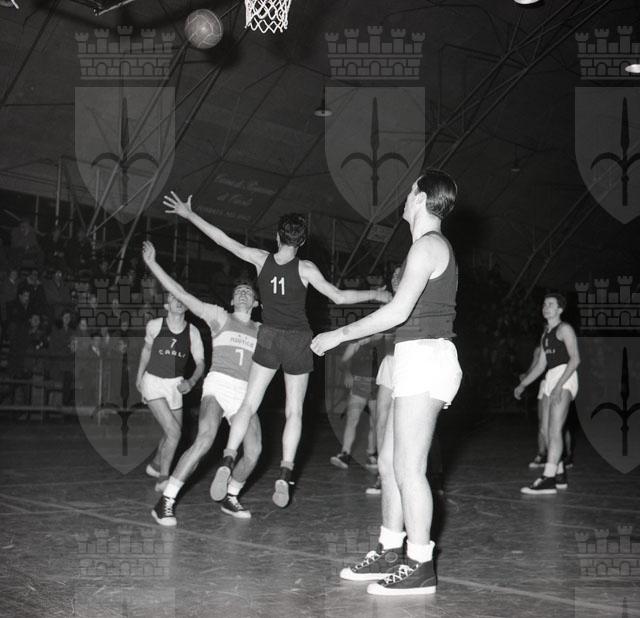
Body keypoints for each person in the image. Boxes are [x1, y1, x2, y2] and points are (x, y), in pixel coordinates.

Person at [163, 191, 391, 508]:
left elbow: (222, 240)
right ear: (302, 242)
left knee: (248, 405)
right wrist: (376, 294)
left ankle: (227, 459)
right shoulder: (306, 268)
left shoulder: (261, 259)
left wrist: (190, 215)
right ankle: (285, 473)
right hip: (298, 340)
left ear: (277, 236)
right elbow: (338, 297)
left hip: (269, 336)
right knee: (294, 411)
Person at [311, 170, 462, 596]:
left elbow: (397, 312)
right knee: (392, 462)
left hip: (427, 357)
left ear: (423, 198)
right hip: (412, 357)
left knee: (409, 468)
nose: (406, 195)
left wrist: (339, 334)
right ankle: (391, 550)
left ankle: (420, 563)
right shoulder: (423, 246)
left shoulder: (428, 246)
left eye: (412, 189)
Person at [141, 241, 261, 526]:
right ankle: (165, 501)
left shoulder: (262, 330)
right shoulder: (220, 316)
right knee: (205, 440)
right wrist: (153, 264)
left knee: (254, 452)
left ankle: (231, 496)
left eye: (248, 292)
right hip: (218, 386)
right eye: (238, 291)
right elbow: (182, 294)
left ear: (256, 304)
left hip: (245, 395)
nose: (242, 293)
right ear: (231, 300)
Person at [135, 283, 205, 489]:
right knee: (174, 433)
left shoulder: (193, 332)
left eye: (182, 298)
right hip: (153, 382)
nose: (179, 301)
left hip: (175, 385)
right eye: (174, 297)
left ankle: (156, 465)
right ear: (167, 304)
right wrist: (139, 377)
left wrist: (191, 381)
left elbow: (201, 363)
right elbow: (146, 351)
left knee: (170, 433)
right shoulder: (155, 325)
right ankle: (163, 478)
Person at [514, 293, 580, 494]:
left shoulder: (564, 329)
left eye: (551, 304)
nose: (546, 307)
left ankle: (549, 477)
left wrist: (560, 385)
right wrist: (523, 384)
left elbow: (575, 359)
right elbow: (541, 366)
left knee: (554, 430)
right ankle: (559, 473)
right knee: (544, 430)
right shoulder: (545, 335)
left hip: (565, 376)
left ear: (560, 309)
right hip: (551, 377)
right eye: (544, 304)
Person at [330, 334, 384, 470]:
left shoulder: (385, 340)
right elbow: (342, 362)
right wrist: (347, 373)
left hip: (378, 385)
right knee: (352, 419)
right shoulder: (357, 342)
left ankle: (371, 455)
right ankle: (345, 454)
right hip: (359, 384)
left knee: (375, 422)